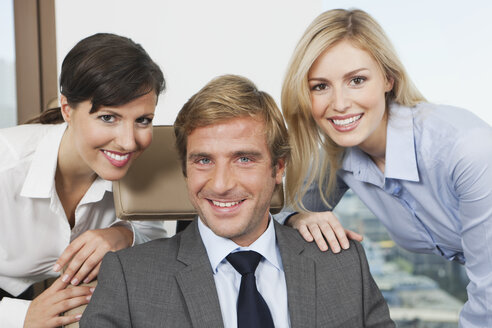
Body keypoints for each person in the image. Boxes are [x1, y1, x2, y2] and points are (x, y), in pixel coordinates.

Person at [80, 74, 394, 327]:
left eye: (243, 159)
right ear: (185, 170)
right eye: (203, 160)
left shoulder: (341, 263)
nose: (220, 184)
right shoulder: (129, 277)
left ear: (278, 168)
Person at [275, 8, 492, 327]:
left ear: (388, 79)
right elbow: (278, 213)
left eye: (357, 80)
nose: (339, 103)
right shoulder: (339, 155)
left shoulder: (464, 149)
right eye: (320, 86)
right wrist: (298, 217)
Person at [0, 33, 168, 327]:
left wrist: (124, 235)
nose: (129, 142)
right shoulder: (6, 164)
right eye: (108, 118)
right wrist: (20, 317)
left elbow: (154, 239)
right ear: (67, 109)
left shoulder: (136, 162)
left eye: (143, 120)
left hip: (72, 298)